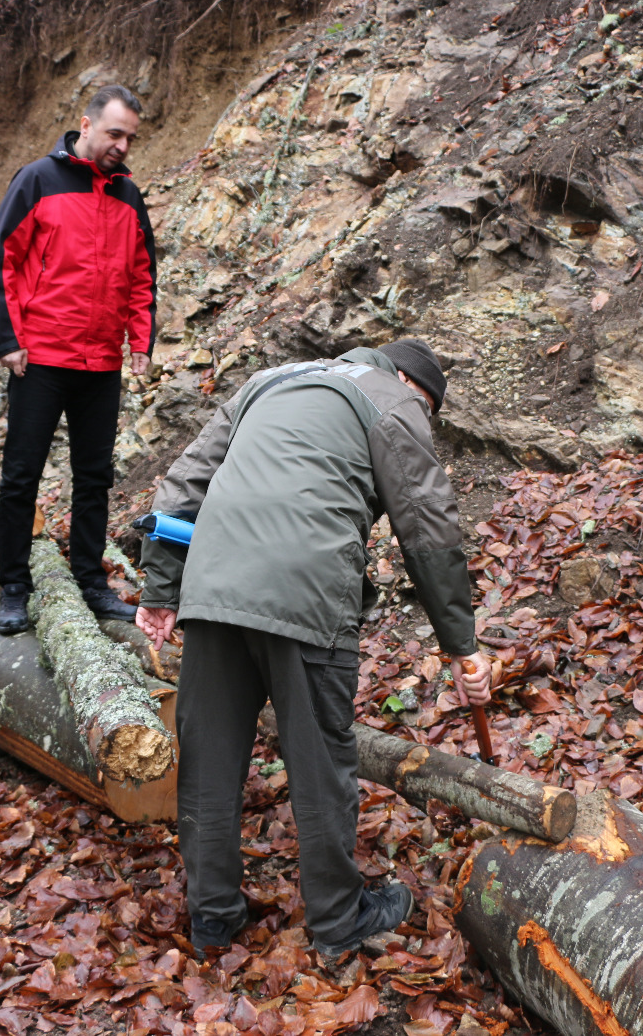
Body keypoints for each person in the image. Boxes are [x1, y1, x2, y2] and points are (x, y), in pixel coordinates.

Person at [133, 339, 493, 960]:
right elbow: (428, 529)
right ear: (409, 381)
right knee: (322, 761)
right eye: (427, 409)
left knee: (209, 758)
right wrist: (463, 646)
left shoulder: (271, 381)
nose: (424, 421)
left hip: (213, 585)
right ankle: (338, 918)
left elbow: (184, 483)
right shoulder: (392, 398)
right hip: (306, 589)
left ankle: (213, 919)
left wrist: (161, 588)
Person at [0, 84, 157, 636]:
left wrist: (141, 343)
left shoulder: (129, 196)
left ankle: (90, 581)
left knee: (94, 478)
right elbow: (0, 259)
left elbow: (142, 276)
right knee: (21, 475)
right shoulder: (38, 180)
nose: (123, 145)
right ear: (86, 125)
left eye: (130, 137)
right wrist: (8, 339)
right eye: (114, 133)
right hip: (41, 357)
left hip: (101, 363)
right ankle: (14, 588)